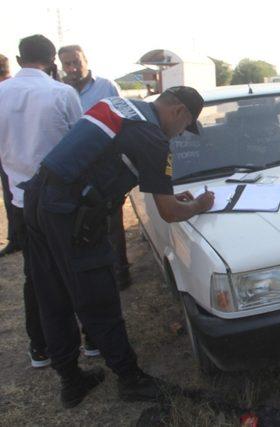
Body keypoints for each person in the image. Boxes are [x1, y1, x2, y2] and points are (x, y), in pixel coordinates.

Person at [22, 86, 214, 408]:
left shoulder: (121, 106)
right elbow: (168, 213)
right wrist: (199, 205)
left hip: (40, 197)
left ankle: (70, 381)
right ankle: (131, 379)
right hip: (71, 216)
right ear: (178, 111)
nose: (181, 134)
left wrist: (170, 196)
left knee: (51, 293)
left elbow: (102, 157)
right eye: (186, 126)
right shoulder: (153, 138)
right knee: (97, 296)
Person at [0, 35, 83, 368]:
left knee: (35, 275)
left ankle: (41, 346)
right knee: (75, 269)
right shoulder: (63, 93)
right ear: (52, 60)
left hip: (20, 200)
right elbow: (81, 144)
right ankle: (90, 341)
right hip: (62, 199)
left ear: (19, 60)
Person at [58, 44, 131, 291]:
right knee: (81, 222)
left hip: (104, 165)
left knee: (111, 220)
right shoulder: (59, 90)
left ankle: (120, 274)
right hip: (74, 168)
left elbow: (125, 120)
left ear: (86, 60)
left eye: (76, 61)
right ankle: (93, 276)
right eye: (66, 63)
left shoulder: (106, 86)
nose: (72, 68)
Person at [0, 53, 20, 257]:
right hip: (19, 153)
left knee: (13, 196)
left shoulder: (5, 91)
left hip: (10, 154)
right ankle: (17, 237)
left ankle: (18, 238)